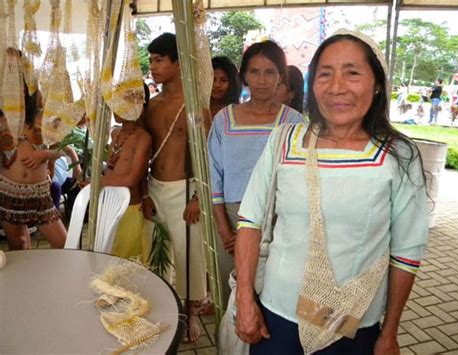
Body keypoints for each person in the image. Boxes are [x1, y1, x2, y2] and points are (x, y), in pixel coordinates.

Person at [234, 29, 429, 355]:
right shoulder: (285, 141)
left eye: (352, 73)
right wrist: (245, 299)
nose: (337, 87)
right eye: (325, 74)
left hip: (351, 321)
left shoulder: (398, 155)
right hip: (276, 316)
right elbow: (251, 220)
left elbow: (406, 252)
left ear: (377, 83)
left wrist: (390, 332)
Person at [208, 40, 305, 307]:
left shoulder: (294, 123)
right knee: (231, 294)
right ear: (244, 76)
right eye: (254, 71)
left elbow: (300, 181)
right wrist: (225, 230)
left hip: (278, 219)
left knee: (272, 295)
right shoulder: (223, 120)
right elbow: (214, 179)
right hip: (230, 216)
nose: (261, 80)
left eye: (270, 72)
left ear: (281, 77)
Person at [143, 32, 208, 343]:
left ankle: (191, 311)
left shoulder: (196, 105)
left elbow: (207, 154)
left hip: (186, 190)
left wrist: (198, 196)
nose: (153, 67)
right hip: (155, 187)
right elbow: (143, 150)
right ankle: (163, 309)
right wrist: (143, 192)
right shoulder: (151, 105)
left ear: (178, 63)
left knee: (188, 254)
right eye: (151, 61)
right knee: (159, 252)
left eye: (159, 60)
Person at [0, 49, 66, 250]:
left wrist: (45, 154)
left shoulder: (43, 117)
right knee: (18, 245)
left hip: (39, 195)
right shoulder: (1, 120)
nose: (13, 88)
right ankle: (26, 282)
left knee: (64, 244)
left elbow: (63, 150)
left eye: (18, 80)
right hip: (7, 192)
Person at [100, 85, 152, 260]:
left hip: (129, 208)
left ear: (138, 105)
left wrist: (98, 183)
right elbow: (110, 169)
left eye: (122, 102)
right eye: (115, 102)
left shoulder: (143, 138)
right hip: (110, 205)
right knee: (107, 260)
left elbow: (131, 179)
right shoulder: (116, 134)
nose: (116, 107)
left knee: (127, 265)